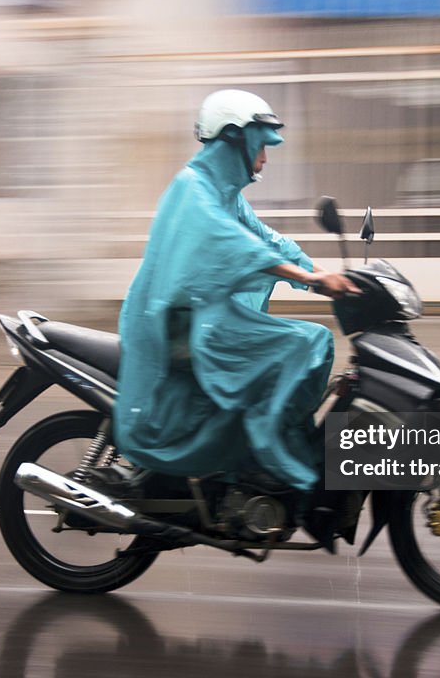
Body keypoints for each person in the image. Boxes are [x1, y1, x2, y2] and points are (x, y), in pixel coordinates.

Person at [114, 89, 358, 493]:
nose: (264, 158)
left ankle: (260, 451)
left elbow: (270, 242)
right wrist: (314, 282)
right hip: (178, 324)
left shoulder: (224, 193)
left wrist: (323, 273)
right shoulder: (193, 188)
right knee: (305, 343)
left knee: (303, 343)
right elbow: (236, 245)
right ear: (233, 141)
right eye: (259, 147)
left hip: (204, 317)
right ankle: (265, 453)